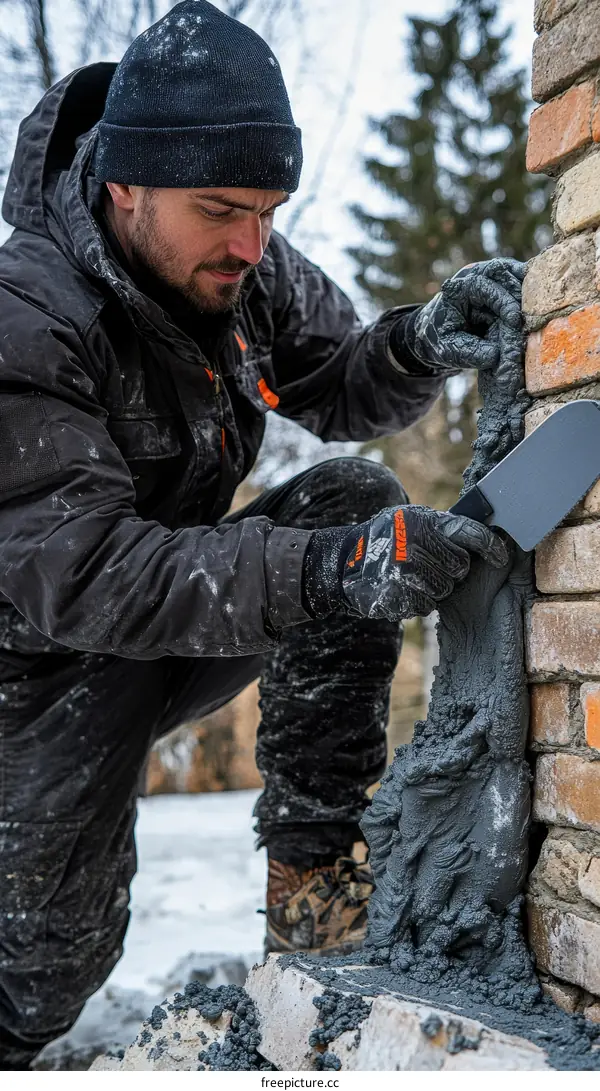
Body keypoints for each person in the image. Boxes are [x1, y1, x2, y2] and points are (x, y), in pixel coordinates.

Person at [0, 0, 524, 1068]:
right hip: (35, 670)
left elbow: (337, 384)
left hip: (178, 614)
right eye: (223, 208)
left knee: (349, 497)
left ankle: (315, 889)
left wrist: (422, 339)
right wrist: (330, 573)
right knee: (43, 978)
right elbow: (89, 571)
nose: (252, 241)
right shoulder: (26, 320)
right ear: (124, 186)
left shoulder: (242, 271)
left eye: (272, 210)